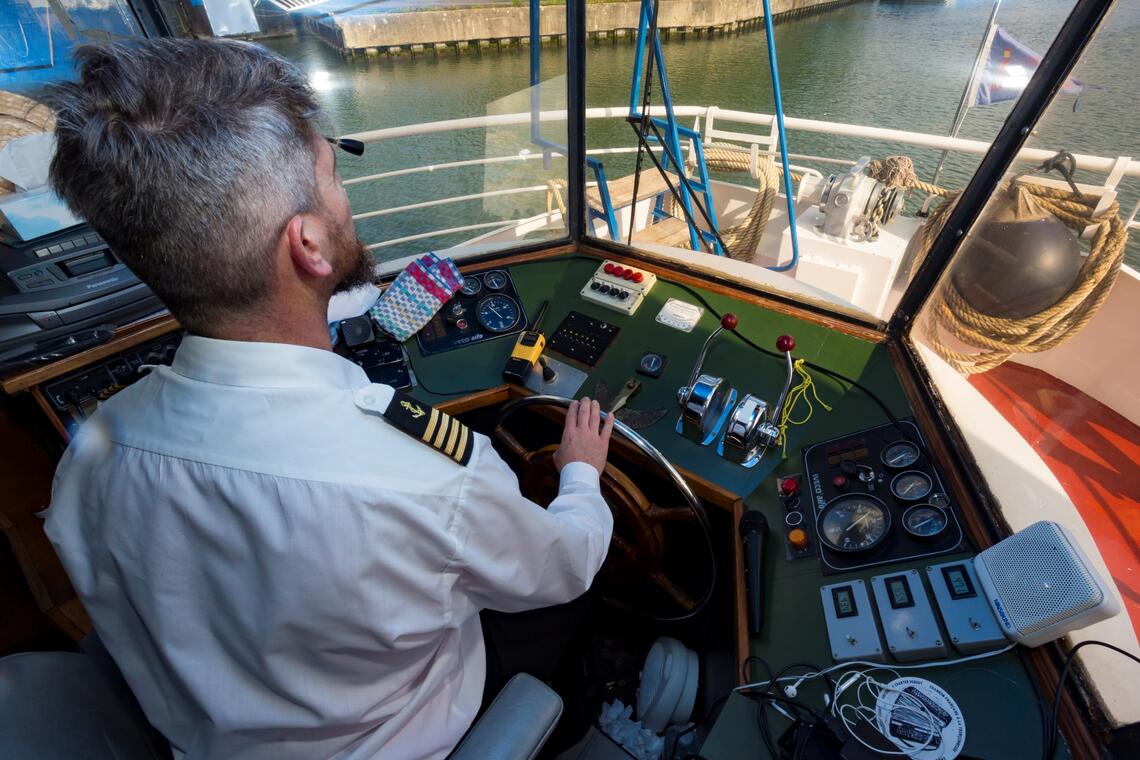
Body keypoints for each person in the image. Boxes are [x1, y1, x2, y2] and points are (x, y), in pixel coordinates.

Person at [42, 38, 614, 759]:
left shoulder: (89, 459)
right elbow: (565, 561)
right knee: (572, 609)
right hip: (405, 736)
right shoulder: (425, 482)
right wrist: (582, 471)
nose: (346, 199)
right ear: (308, 244)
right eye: (334, 178)